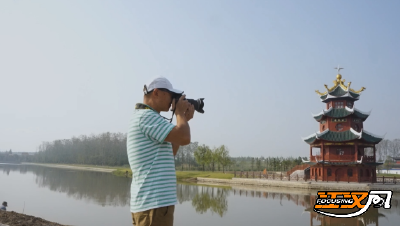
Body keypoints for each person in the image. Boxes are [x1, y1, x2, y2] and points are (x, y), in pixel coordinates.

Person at [127, 77, 194, 226]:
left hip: (153, 204)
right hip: (154, 205)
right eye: (171, 95)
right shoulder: (147, 117)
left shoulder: (147, 117)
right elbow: (185, 137)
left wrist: (183, 120)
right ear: (156, 93)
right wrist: (179, 114)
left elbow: (171, 153)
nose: (172, 100)